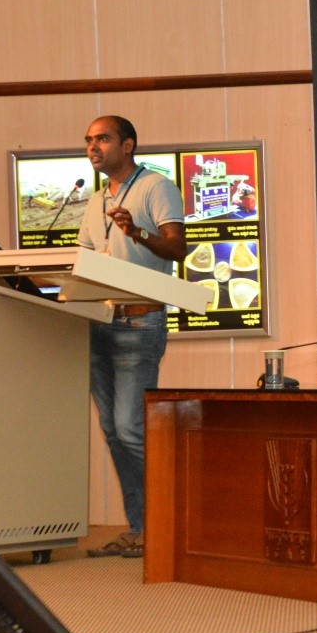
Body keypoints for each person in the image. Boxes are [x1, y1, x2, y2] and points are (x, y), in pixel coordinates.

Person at [76, 116, 186, 557]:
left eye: (103, 139)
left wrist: (136, 231)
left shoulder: (156, 186)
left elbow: (177, 248)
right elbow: (85, 259)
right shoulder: (95, 199)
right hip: (98, 323)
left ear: (128, 145)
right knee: (112, 430)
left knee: (130, 427)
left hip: (140, 323)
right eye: (89, 140)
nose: (93, 146)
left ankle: (162, 526)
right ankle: (140, 528)